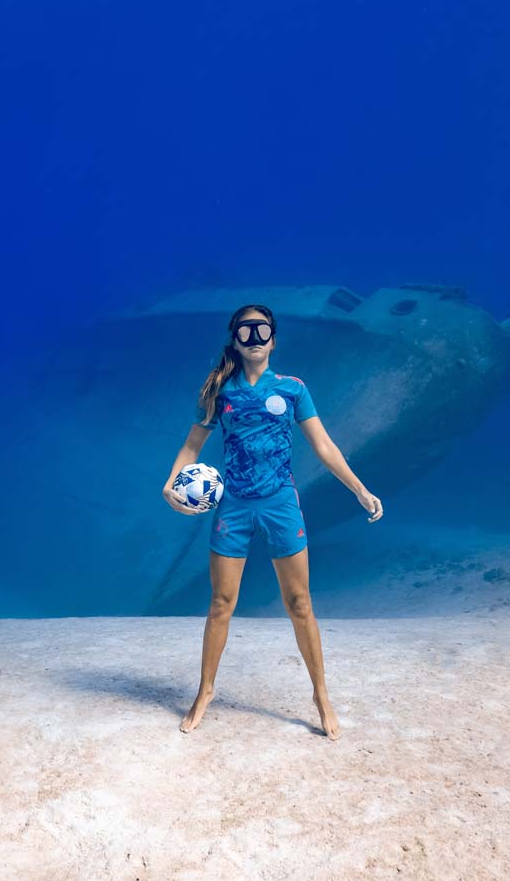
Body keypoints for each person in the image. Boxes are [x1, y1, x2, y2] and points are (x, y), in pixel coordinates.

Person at [162, 303, 383, 740]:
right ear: (235, 340)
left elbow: (324, 446)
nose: (254, 338)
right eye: (245, 331)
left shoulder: (293, 389)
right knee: (221, 604)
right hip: (233, 507)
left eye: (261, 330)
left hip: (281, 504)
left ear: (273, 340)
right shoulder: (218, 391)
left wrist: (359, 489)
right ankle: (205, 691)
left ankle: (321, 695)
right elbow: (191, 448)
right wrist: (170, 486)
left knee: (300, 603)